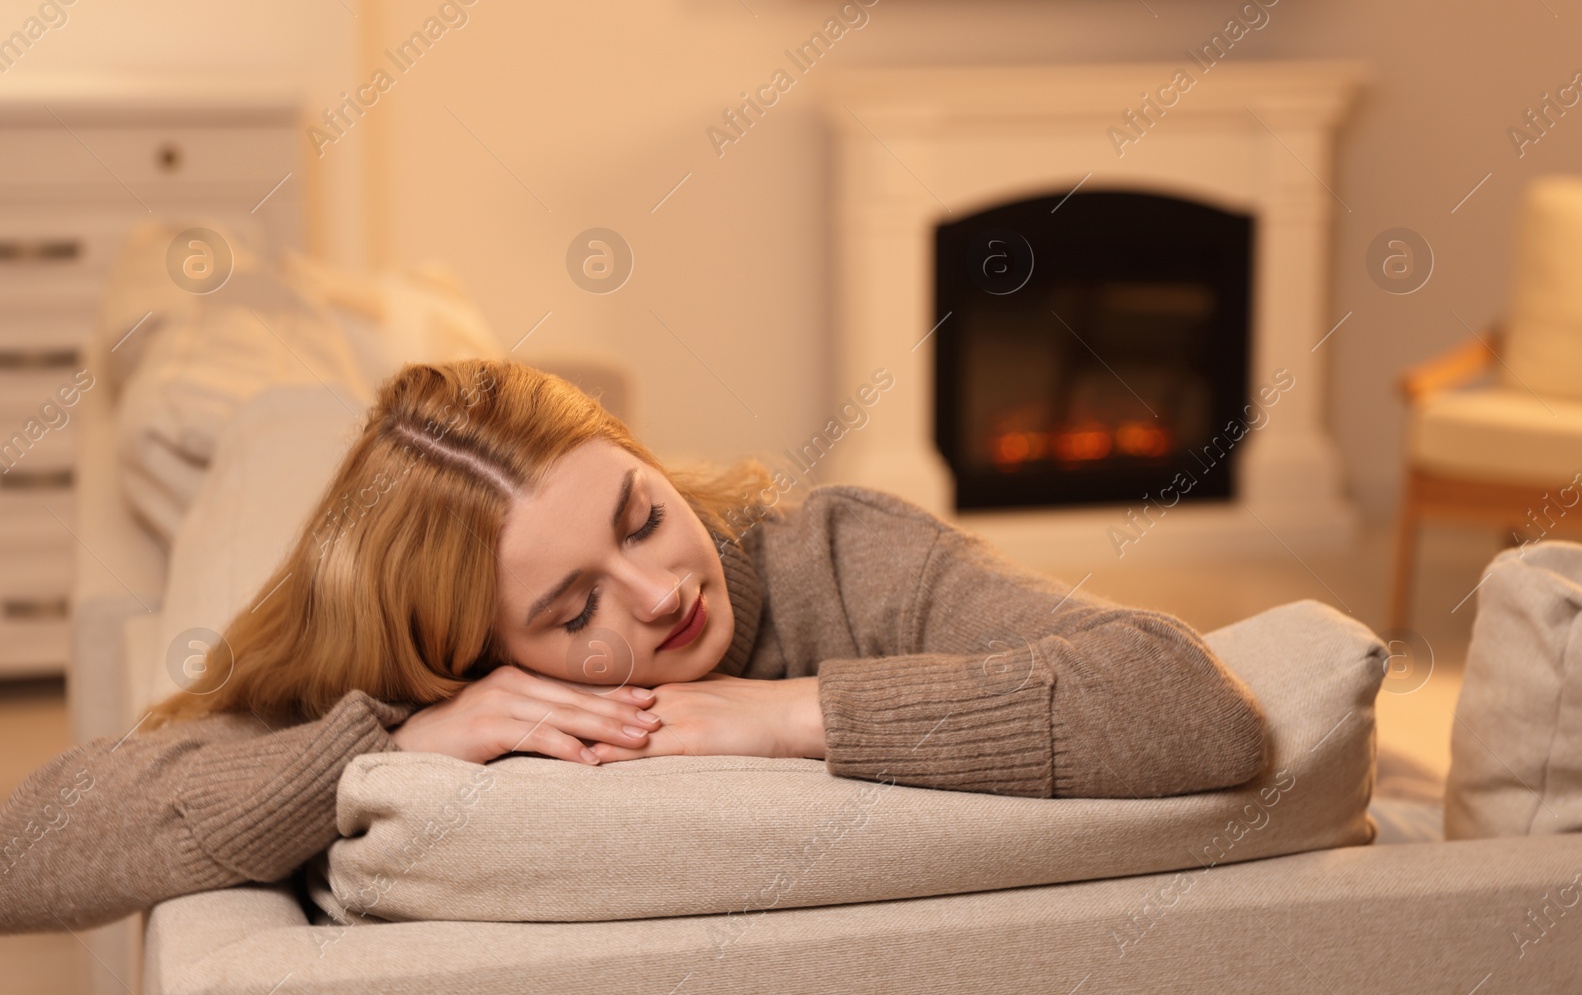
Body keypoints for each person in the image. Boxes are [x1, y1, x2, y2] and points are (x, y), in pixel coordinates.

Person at [0, 359, 1266, 934]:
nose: (659, 593)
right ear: (469, 653)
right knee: (277, 423)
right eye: (571, 613)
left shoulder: (839, 555)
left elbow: (1186, 705)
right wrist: (385, 739)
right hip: (325, 549)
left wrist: (789, 712)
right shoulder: (417, 670)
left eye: (640, 514)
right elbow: (30, 855)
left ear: (647, 459)